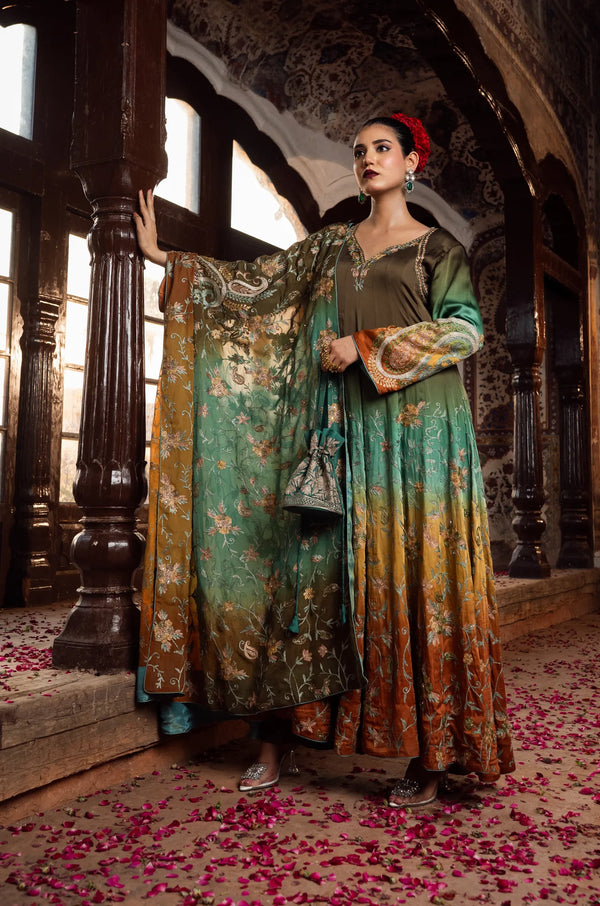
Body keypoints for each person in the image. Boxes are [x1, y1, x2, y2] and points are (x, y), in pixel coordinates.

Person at [134, 112, 514, 808]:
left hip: (423, 441)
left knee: (419, 586)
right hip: (341, 437)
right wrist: (172, 263)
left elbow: (465, 331)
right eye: (361, 150)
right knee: (308, 581)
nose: (369, 159)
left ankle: (433, 758)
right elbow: (263, 288)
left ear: (411, 163)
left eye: (382, 149)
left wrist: (365, 347)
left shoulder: (439, 249)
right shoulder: (331, 247)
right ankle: (277, 743)